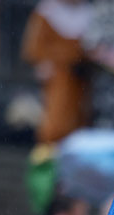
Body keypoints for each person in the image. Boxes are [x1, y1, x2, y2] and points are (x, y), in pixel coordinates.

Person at [21, 0, 94, 144]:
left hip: (80, 75)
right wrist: (42, 62)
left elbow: (89, 45)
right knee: (56, 117)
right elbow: (35, 44)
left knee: (79, 119)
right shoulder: (48, 11)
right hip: (58, 73)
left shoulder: (88, 12)